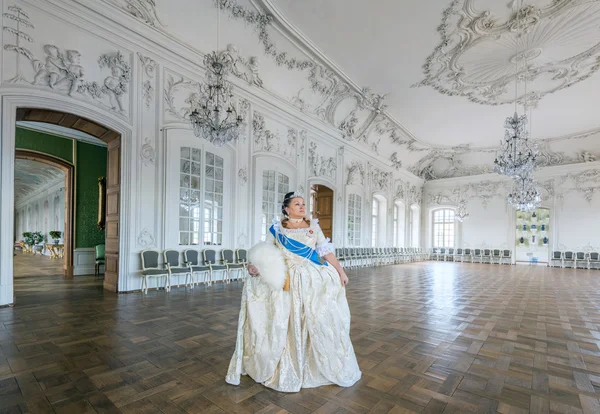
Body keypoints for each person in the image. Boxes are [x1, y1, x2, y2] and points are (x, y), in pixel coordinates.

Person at [226, 191, 361, 392]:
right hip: (286, 279)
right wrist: (254, 266)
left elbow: (325, 252)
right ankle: (284, 357)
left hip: (310, 277)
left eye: (303, 203)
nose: (302, 206)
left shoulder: (313, 227)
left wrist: (340, 271)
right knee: (285, 319)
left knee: (314, 317)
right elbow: (265, 251)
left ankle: (312, 361)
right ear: (287, 209)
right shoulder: (277, 228)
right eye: (297, 204)